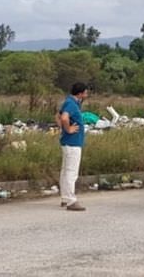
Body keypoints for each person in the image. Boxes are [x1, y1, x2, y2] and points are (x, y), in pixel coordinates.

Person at [58, 82, 89, 211]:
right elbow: (64, 118)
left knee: (65, 171)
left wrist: (63, 128)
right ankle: (71, 200)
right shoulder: (71, 103)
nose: (87, 94)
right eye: (86, 92)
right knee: (71, 172)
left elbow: (59, 115)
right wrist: (68, 129)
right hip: (73, 142)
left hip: (69, 142)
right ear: (80, 93)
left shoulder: (71, 102)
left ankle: (65, 197)